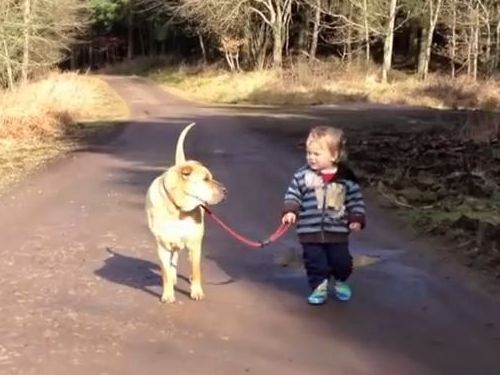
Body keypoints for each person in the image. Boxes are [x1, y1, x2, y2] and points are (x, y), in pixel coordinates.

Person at [281, 126, 366, 305]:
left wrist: (356, 218)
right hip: (309, 230)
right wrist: (290, 210)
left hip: (337, 230)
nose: (311, 157)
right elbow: (293, 194)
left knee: (341, 262)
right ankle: (318, 286)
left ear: (334, 155)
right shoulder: (302, 175)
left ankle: (341, 280)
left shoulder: (346, 177)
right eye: (309, 153)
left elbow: (355, 200)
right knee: (315, 262)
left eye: (317, 154)